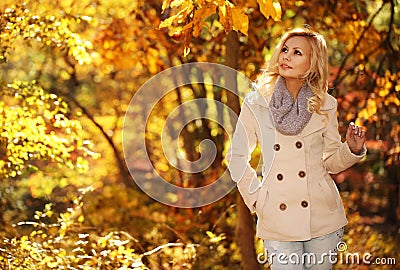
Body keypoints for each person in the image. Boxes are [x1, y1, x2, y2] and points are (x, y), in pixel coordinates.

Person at [226, 27, 367, 269]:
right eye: (284, 49)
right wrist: (257, 199)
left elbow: (331, 161)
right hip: (276, 217)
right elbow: (236, 156)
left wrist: (351, 149)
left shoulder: (326, 105)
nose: (286, 56)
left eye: (297, 52)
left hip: (322, 217)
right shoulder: (256, 102)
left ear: (313, 63)